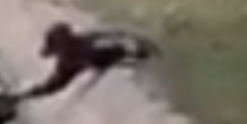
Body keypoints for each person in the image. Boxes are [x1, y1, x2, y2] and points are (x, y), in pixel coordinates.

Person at [11, 21, 157, 102]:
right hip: (109, 58)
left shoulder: (84, 44)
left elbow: (115, 36)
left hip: (113, 55)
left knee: (124, 50)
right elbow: (51, 87)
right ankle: (143, 52)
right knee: (122, 52)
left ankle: (144, 51)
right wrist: (24, 95)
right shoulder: (67, 63)